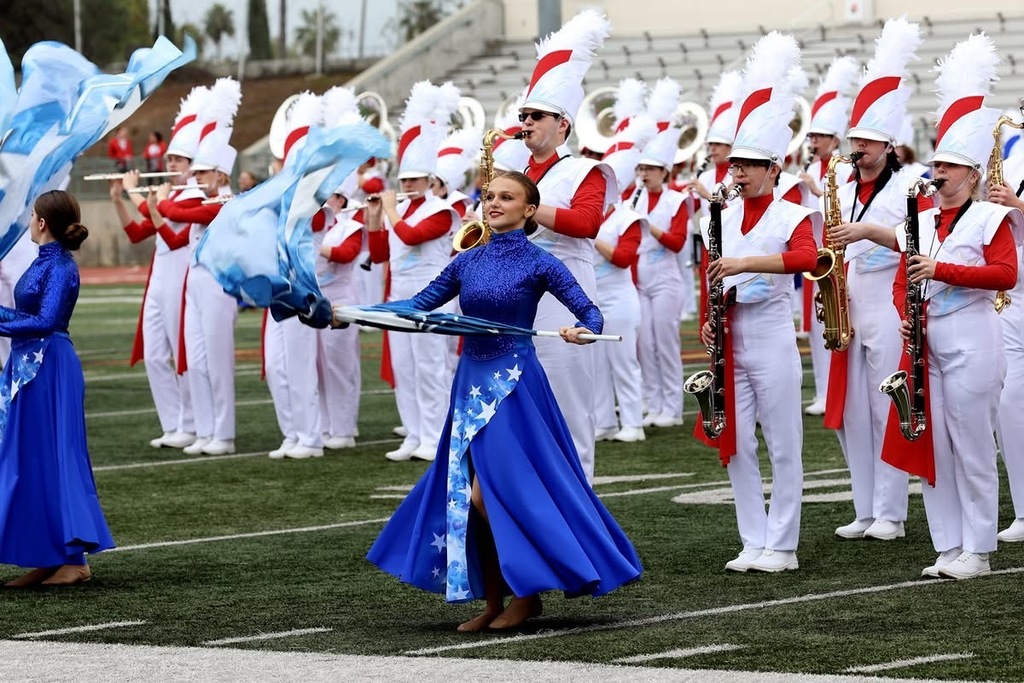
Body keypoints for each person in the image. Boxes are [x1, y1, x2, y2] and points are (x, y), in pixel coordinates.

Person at [366, 172, 642, 631]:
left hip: (513, 386)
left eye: (506, 197)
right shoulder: (465, 261)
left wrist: (584, 330)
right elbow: (419, 304)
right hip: (470, 382)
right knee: (469, 489)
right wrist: (352, 314)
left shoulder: (542, 262)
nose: (493, 203)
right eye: (489, 196)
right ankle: (495, 601)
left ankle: (526, 595)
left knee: (489, 494)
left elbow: (588, 310)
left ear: (529, 210)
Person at [883, 34, 1022, 580]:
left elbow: (1005, 275)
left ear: (970, 175)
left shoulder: (990, 218)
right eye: (935, 165)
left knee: (971, 445)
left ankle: (979, 548)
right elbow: (901, 277)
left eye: (947, 167)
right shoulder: (916, 223)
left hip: (972, 334)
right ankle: (947, 543)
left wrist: (941, 271)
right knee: (932, 444)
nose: (937, 174)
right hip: (926, 338)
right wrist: (902, 307)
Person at [696, 33, 820, 574]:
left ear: (774, 167)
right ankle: (752, 538)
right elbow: (710, 271)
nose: (738, 172)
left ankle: (784, 543)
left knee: (784, 442)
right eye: (735, 164)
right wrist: (707, 318)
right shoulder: (717, 215)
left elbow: (808, 259)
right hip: (731, 336)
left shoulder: (791, 213)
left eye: (749, 165)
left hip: (770, 332)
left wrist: (747, 265)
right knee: (737, 441)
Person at [822, 17, 924, 542]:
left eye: (866, 141)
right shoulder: (839, 179)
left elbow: (919, 238)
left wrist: (865, 230)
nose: (856, 148)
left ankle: (892, 511)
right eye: (853, 139)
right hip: (847, 293)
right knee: (851, 410)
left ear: (887, 145)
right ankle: (865, 506)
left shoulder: (911, 182)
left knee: (887, 400)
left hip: (887, 295)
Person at [517, 9, 616, 483]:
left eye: (535, 116)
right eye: (522, 116)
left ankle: (581, 519)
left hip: (565, 298)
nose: (525, 123)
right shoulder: (514, 176)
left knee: (570, 411)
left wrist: (528, 209)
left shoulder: (585, 171)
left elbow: (586, 223)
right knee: (526, 413)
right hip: (518, 297)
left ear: (563, 125)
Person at [0, 190, 115, 587]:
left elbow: (46, 320)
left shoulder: (62, 266)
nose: (29, 220)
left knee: (54, 457)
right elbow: (29, 316)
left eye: (32, 215)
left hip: (49, 365)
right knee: (31, 459)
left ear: (42, 223)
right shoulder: (42, 261)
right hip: (30, 363)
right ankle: (50, 555)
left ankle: (74, 559)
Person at [108, 86, 209, 451]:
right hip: (158, 282)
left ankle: (192, 423)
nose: (171, 166)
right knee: (153, 353)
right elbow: (139, 233)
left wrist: (146, 199)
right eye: (170, 160)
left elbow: (177, 237)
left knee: (181, 354)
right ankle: (172, 423)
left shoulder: (195, 197)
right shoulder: (167, 197)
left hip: (181, 281)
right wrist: (121, 201)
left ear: (193, 165)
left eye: (179, 161)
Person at [367, 81, 461, 463]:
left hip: (433, 299)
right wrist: (374, 218)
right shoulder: (397, 209)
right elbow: (379, 254)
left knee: (430, 369)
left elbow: (411, 235)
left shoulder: (441, 211)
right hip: (400, 297)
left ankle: (436, 437)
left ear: (430, 181)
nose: (406, 186)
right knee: (404, 369)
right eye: (403, 180)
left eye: (414, 180)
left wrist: (389, 212)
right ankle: (414, 433)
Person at [795, 56, 859, 417]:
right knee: (817, 324)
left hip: (839, 252)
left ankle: (833, 390)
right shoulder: (807, 166)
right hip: (815, 253)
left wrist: (816, 190)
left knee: (839, 322)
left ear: (834, 139)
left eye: (819, 136)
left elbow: (844, 206)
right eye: (812, 136)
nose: (813, 141)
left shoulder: (844, 167)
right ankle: (822, 391)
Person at [990, 118, 1024, 544]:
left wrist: (1017, 205)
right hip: (1014, 296)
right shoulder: (1012, 162)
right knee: (1009, 403)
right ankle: (1022, 510)